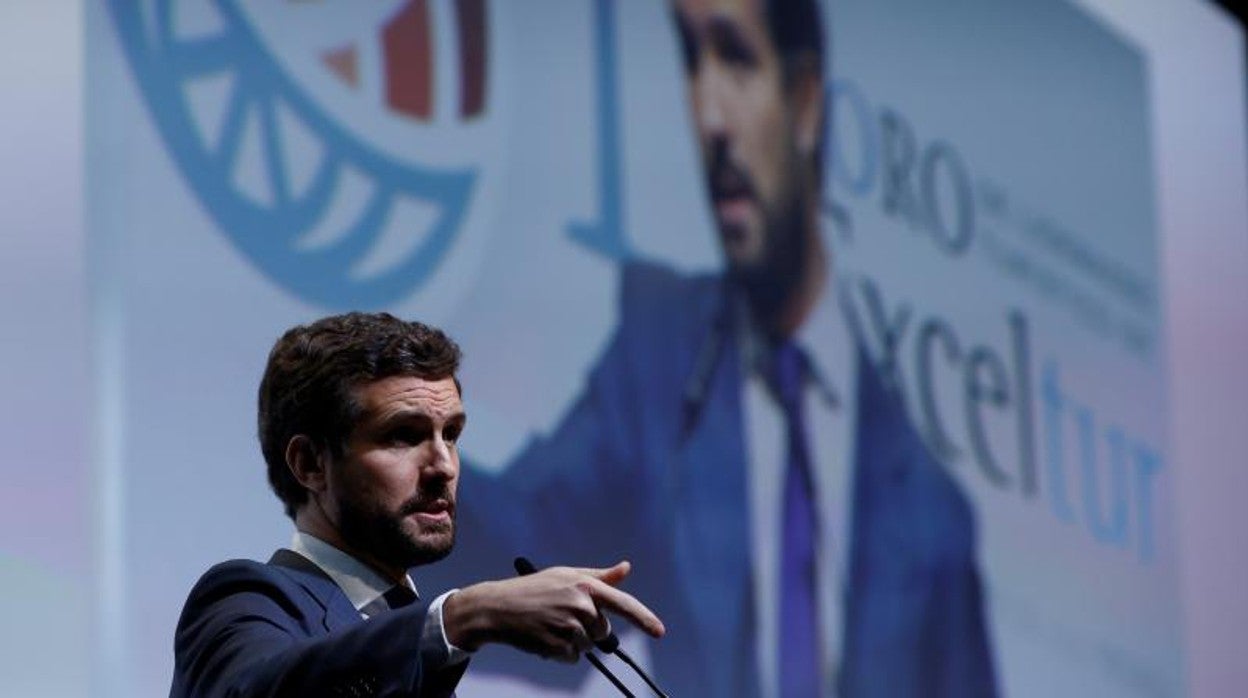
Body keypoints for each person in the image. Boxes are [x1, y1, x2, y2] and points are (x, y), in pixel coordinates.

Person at [433, 0, 999, 696]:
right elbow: (520, 543)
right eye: (690, 61)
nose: (709, 119)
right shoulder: (661, 360)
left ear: (804, 100)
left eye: (734, 57)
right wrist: (383, 472)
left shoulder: (933, 513)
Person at [168, 313, 666, 698]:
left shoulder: (421, 648)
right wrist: (468, 613)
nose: (443, 465)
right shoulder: (246, 601)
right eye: (403, 436)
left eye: (451, 434)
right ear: (310, 464)